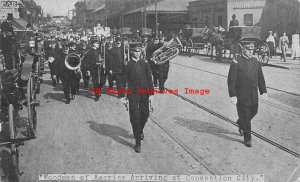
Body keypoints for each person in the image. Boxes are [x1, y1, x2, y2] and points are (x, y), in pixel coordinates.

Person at [227, 42, 267, 147]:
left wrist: (263, 91)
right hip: (241, 96)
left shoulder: (256, 62)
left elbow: (260, 78)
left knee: (254, 111)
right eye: (249, 50)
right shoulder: (236, 62)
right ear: (243, 49)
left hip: (253, 95)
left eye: (252, 50)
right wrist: (233, 95)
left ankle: (241, 122)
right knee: (245, 115)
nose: (251, 52)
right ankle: (247, 138)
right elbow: (231, 80)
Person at [120, 42, 154, 153]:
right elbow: (122, 81)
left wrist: (152, 94)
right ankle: (137, 142)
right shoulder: (127, 65)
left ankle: (140, 131)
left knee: (145, 115)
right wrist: (122, 96)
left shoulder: (145, 64)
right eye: (135, 51)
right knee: (135, 117)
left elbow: (149, 79)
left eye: (139, 51)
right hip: (133, 95)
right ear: (131, 52)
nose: (138, 53)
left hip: (144, 94)